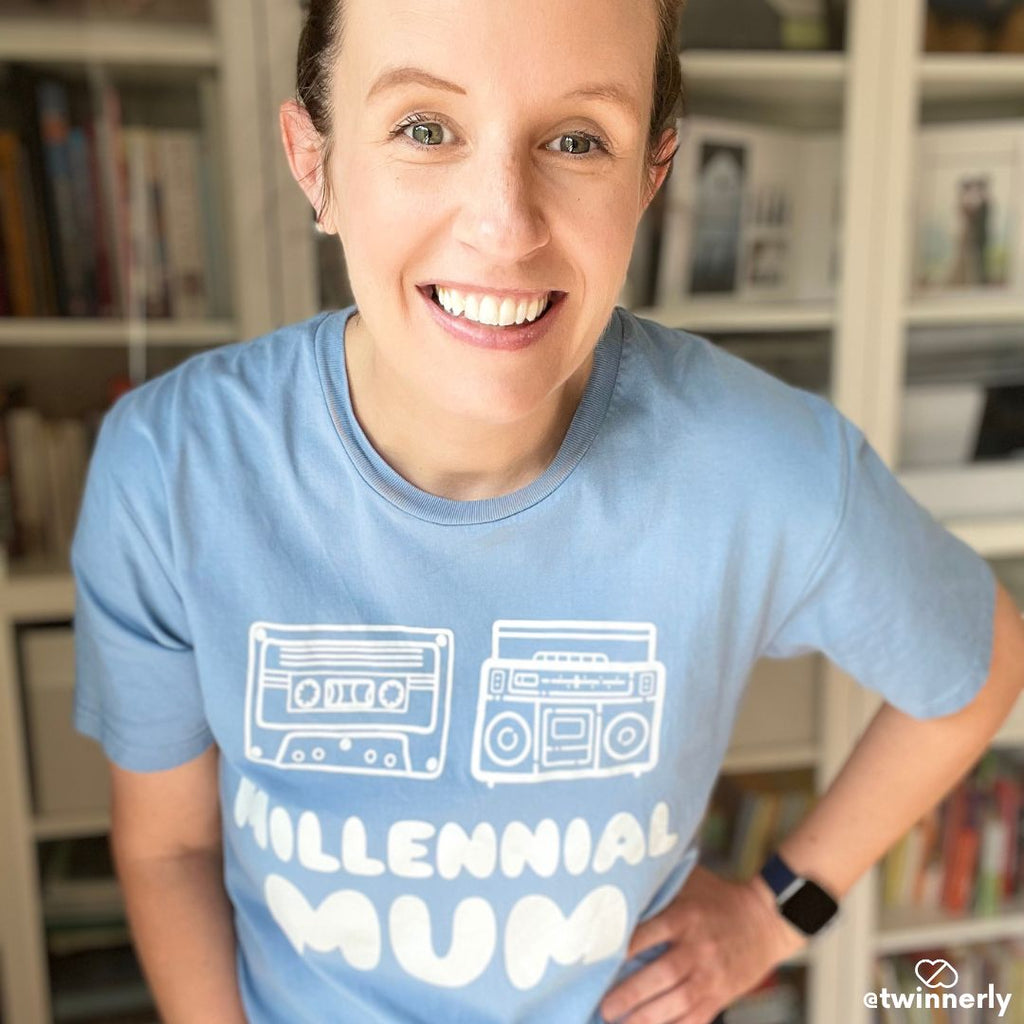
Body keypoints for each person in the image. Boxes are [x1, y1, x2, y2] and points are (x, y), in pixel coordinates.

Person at [69, 1, 1024, 1022]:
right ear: (316, 162)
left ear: (650, 176)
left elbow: (975, 668)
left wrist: (774, 912)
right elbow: (169, 845)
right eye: (425, 129)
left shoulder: (764, 467)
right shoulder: (169, 469)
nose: (504, 224)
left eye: (575, 141)